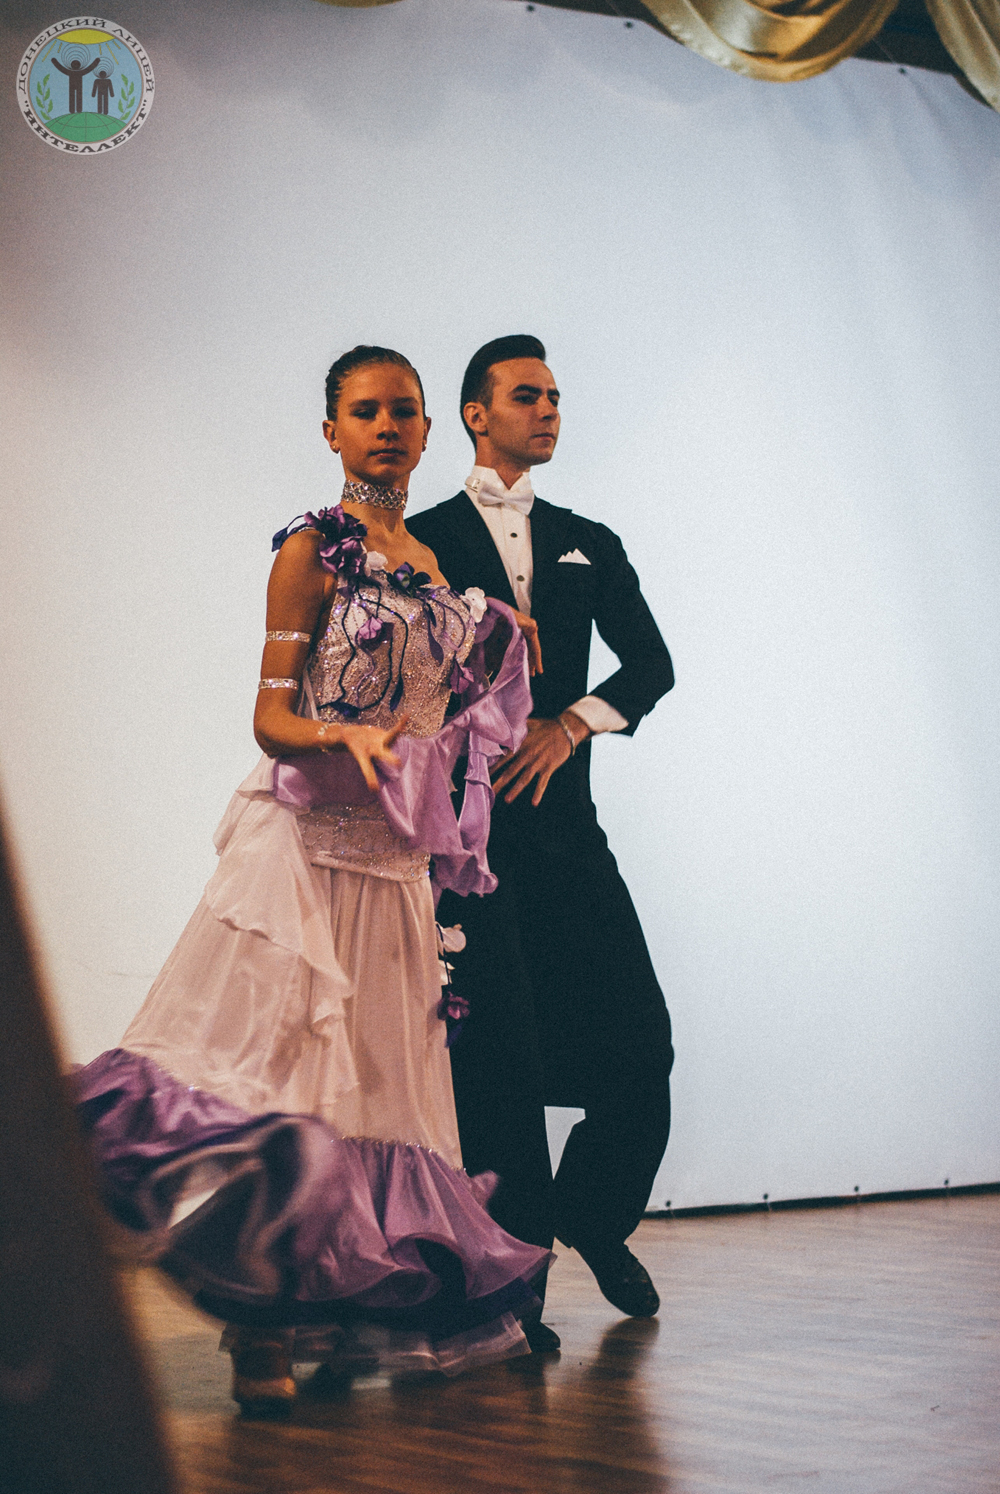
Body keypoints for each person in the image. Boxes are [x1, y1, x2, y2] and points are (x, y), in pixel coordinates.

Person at [71, 346, 552, 1414]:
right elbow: (271, 716)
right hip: (306, 855)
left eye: (404, 412)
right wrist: (351, 739)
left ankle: (326, 1313)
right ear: (332, 431)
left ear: (429, 431)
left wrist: (490, 646)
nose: (388, 427)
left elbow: (440, 711)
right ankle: (261, 1335)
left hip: (393, 870)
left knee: (372, 1108)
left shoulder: (432, 566)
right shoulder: (311, 548)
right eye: (366, 412)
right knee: (287, 1098)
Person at [408, 335, 674, 1349]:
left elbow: (650, 666)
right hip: (468, 849)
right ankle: (513, 1289)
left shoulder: (587, 540)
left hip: (569, 835)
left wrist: (571, 724)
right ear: (476, 414)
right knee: (500, 1068)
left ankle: (595, 1218)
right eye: (528, 396)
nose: (550, 410)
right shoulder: (422, 541)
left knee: (641, 1042)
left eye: (556, 396)